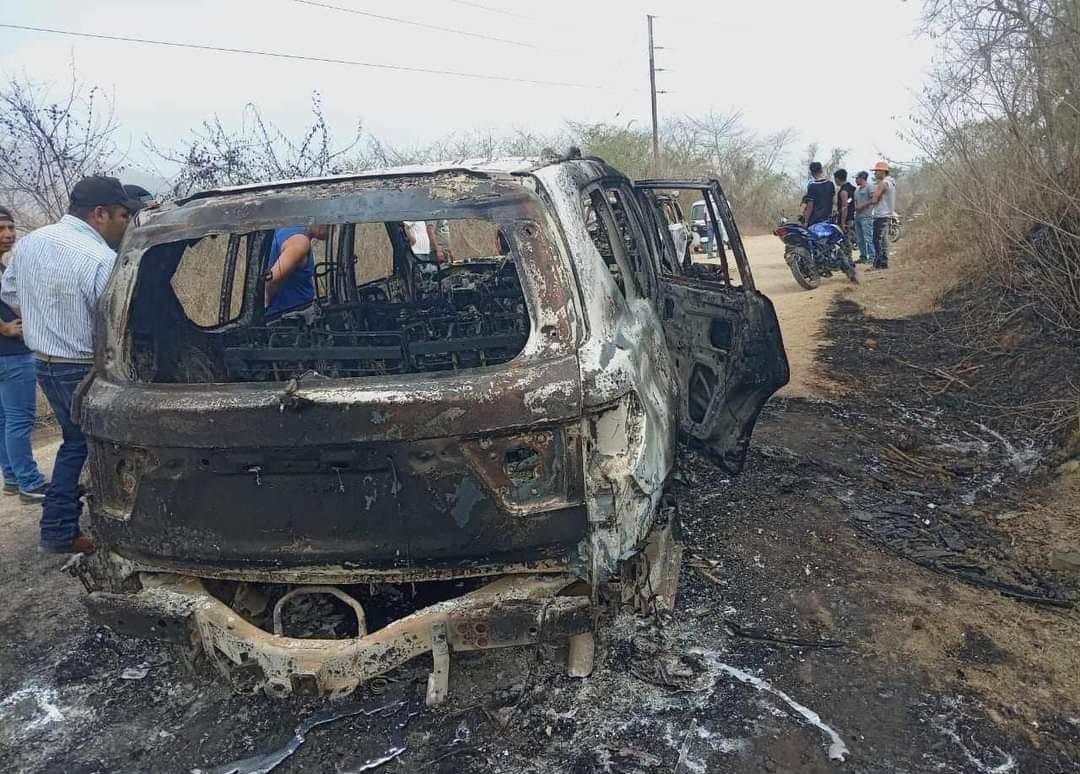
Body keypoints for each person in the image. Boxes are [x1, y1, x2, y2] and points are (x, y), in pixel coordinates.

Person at [1, 176, 143, 553]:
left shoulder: (30, 243)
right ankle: (62, 529)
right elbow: (117, 323)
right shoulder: (100, 258)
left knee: (75, 442)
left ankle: (69, 523)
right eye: (122, 216)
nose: (126, 224)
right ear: (100, 213)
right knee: (89, 446)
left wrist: (44, 317)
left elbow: (10, 293)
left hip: (44, 364)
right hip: (81, 368)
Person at [0, 207, 48, 502]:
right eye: (1, 229)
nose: (8, 234)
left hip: (7, 357)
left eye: (10, 228)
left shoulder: (3, 267)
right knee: (19, 420)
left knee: (5, 420)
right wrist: (5, 327)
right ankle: (30, 482)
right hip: (12, 356)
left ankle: (13, 477)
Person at [264, 225, 328, 315]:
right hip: (290, 315)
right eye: (329, 224)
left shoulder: (285, 229)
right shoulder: (300, 242)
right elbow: (271, 280)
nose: (334, 229)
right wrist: (267, 307)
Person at [868, 161, 897, 269]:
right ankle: (884, 263)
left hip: (881, 214)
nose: (875, 173)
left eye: (876, 171)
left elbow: (874, 200)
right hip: (887, 214)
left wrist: (872, 198)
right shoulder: (891, 182)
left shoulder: (883, 183)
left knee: (877, 240)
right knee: (883, 240)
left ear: (883, 172)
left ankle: (878, 264)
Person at [852, 171, 876, 264]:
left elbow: (873, 199)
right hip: (858, 216)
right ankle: (863, 256)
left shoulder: (869, 187)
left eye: (857, 178)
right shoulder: (857, 190)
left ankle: (872, 257)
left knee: (868, 237)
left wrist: (863, 205)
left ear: (862, 178)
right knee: (859, 238)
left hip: (867, 216)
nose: (855, 180)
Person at [801, 162, 835, 227]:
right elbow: (832, 201)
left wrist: (806, 222)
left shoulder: (812, 186)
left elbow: (810, 206)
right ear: (821, 170)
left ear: (812, 172)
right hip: (828, 220)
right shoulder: (830, 184)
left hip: (815, 221)